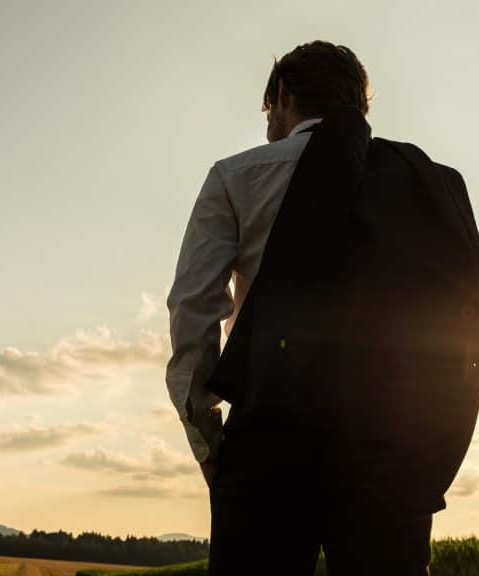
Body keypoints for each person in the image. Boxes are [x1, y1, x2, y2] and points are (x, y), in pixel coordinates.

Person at [165, 41, 452, 574]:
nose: (267, 123)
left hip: (270, 436)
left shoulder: (237, 175)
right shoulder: (426, 181)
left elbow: (193, 309)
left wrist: (209, 440)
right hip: (390, 448)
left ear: (284, 96)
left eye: (267, 109)